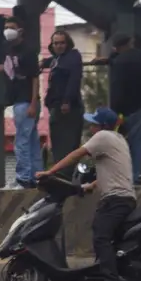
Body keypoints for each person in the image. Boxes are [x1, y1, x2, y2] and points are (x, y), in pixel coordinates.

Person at [36, 106, 135, 281]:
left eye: (93, 124)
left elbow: (75, 155)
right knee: (105, 239)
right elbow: (115, 172)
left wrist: (50, 172)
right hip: (123, 198)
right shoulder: (119, 140)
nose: (90, 128)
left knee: (101, 236)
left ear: (102, 126)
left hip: (116, 199)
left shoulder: (103, 137)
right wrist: (91, 185)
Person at [0, 16, 42, 188]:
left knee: (21, 141)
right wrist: (2, 69)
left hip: (26, 101)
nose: (7, 30)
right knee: (32, 140)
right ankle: (37, 177)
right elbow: (12, 70)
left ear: (20, 30)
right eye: (6, 27)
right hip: (19, 100)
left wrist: (33, 103)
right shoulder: (10, 50)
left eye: (11, 27)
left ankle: (23, 179)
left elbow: (35, 78)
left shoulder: (28, 51)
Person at [99, 33, 141, 184]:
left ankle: (122, 176)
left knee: (122, 146)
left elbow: (117, 88)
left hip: (124, 111)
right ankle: (135, 176)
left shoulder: (118, 62)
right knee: (138, 144)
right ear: (131, 41)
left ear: (116, 47)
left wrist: (116, 112)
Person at [43, 30, 85, 180]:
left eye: (62, 43)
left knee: (68, 143)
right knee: (58, 143)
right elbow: (51, 61)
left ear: (67, 44)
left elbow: (74, 79)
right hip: (56, 107)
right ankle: (60, 173)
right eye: (56, 43)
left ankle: (65, 175)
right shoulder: (57, 59)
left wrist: (66, 101)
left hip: (68, 107)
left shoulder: (73, 57)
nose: (59, 46)